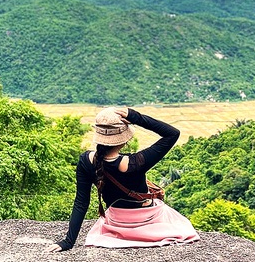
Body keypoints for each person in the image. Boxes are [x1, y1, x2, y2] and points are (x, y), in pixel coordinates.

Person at [50, 106, 199, 251]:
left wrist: (68, 241)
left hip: (115, 225)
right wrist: (135, 116)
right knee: (179, 223)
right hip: (148, 223)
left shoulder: (85, 161)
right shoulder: (136, 162)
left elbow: (81, 202)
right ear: (124, 140)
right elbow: (173, 133)